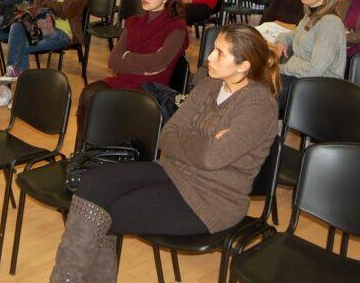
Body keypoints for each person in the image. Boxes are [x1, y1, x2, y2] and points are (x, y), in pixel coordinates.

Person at [49, 24, 278, 283]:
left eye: (220, 53)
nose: (209, 57)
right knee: (94, 182)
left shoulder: (259, 106)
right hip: (173, 170)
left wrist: (192, 143)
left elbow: (211, 158)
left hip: (211, 198)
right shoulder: (209, 85)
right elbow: (169, 134)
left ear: (243, 65)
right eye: (213, 49)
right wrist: (205, 142)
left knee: (104, 214)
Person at [74, 0, 188, 146]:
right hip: (126, 80)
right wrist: (142, 62)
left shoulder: (176, 27)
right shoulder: (133, 22)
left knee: (104, 102)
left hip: (152, 88)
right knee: (89, 93)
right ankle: (85, 151)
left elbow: (158, 63)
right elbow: (113, 61)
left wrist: (127, 56)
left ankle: (106, 150)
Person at [275, 0, 346, 108]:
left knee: (260, 92)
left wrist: (281, 68)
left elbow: (316, 69)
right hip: (302, 79)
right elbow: (296, 35)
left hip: (319, 87)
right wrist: (282, 40)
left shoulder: (329, 22)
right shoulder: (311, 15)